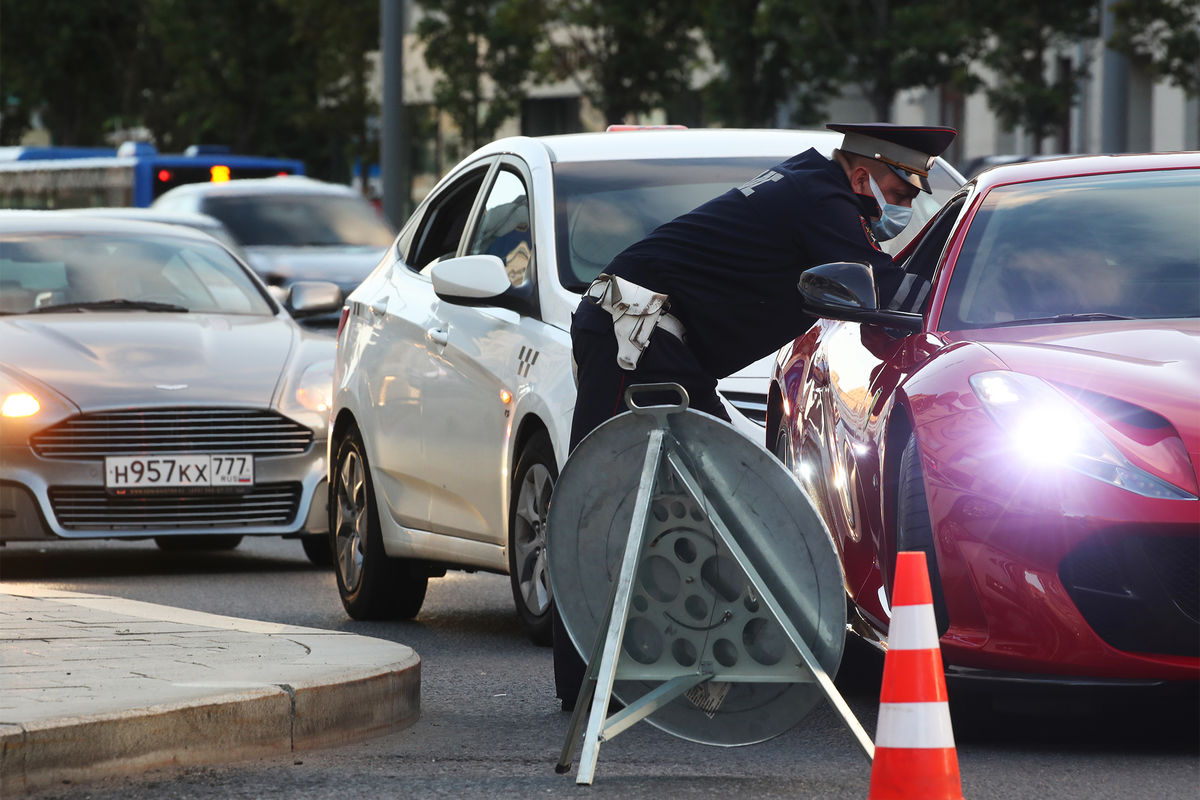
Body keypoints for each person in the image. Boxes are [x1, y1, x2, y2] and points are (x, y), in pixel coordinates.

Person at [554, 121, 958, 711]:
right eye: (901, 192)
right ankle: (588, 688)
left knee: (709, 498)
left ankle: (664, 669)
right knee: (612, 503)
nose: (905, 205)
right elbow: (880, 290)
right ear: (865, 173)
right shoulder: (823, 199)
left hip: (661, 342)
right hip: (636, 337)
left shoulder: (812, 185)